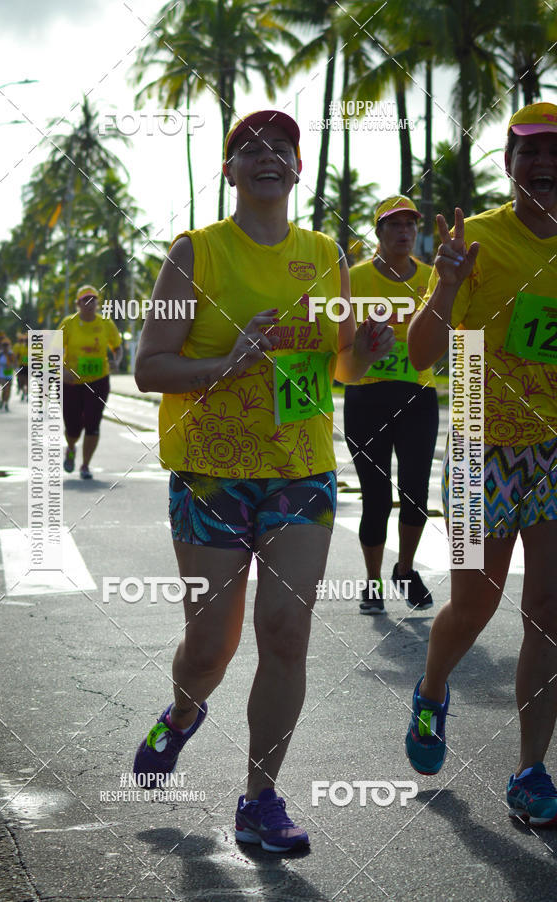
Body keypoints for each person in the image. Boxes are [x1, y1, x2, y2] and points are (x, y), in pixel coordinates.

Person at [132, 109, 395, 852]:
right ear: (230, 171)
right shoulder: (197, 253)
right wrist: (229, 363)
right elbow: (148, 367)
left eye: (282, 147)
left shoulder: (325, 254)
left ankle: (259, 800)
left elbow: (340, 365)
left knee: (286, 634)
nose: (267, 156)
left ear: (299, 168)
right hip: (211, 476)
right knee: (209, 649)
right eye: (250, 148)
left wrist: (366, 352)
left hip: (300, 472)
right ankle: (183, 714)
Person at [405, 102, 557, 827]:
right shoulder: (479, 241)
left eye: (555, 153)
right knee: (475, 604)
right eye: (529, 152)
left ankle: (531, 771)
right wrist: (444, 286)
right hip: (477, 447)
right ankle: (432, 690)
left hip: (554, 450)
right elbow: (422, 354)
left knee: (549, 614)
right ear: (509, 164)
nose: (544, 164)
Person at [343, 196, 438, 614]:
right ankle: (373, 581)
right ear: (378, 232)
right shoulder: (354, 279)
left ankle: (405, 569)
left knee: (416, 492)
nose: (404, 232)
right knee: (376, 496)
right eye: (394, 225)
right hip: (367, 397)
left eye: (410, 224)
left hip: (418, 396)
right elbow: (338, 335)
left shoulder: (433, 278)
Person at [59, 285, 122, 479]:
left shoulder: (106, 323)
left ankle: (85, 465)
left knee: (93, 424)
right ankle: (71, 447)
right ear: (78, 304)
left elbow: (118, 348)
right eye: (85, 300)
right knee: (73, 427)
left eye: (93, 299)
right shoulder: (68, 323)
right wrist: (62, 371)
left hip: (98, 380)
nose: (89, 303)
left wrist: (117, 361)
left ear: (97, 303)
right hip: (71, 383)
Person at [0, 337, 16, 411]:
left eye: (7, 345)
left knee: (8, 389)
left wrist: (12, 366)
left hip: (9, 373)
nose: (5, 347)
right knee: (5, 388)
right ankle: (3, 400)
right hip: (2, 374)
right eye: (4, 345)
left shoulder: (11, 354)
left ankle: (6, 402)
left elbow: (15, 362)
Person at [12, 332, 29, 401]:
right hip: (21, 366)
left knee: (27, 382)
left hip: (28, 367)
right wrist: (15, 365)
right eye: (26, 341)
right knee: (20, 381)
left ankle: (26, 394)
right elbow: (16, 356)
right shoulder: (20, 347)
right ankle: (22, 391)